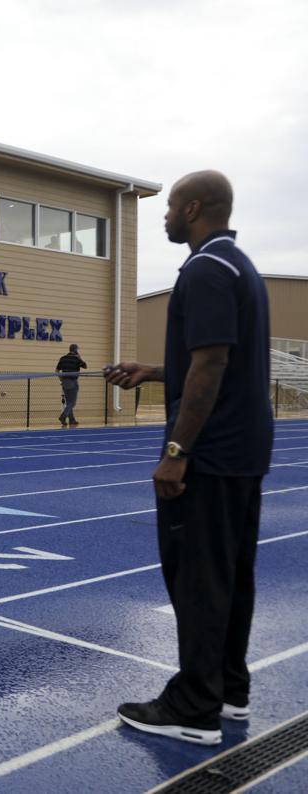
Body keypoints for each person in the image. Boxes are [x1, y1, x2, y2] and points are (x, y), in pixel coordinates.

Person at [108, 171, 272, 747]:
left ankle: (194, 706)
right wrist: (153, 371)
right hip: (244, 452)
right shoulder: (240, 267)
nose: (166, 215)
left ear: (194, 207)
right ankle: (228, 689)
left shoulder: (203, 269)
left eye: (172, 206)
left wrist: (177, 451)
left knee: (199, 578)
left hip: (208, 455)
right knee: (231, 576)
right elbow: (211, 358)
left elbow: (210, 366)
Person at [55, 343, 87, 427]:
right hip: (73, 381)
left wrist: (61, 379)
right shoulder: (77, 359)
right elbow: (85, 366)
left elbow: (57, 370)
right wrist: (80, 357)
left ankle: (72, 420)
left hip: (64, 382)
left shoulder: (63, 358)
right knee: (72, 403)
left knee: (69, 402)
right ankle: (63, 416)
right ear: (76, 350)